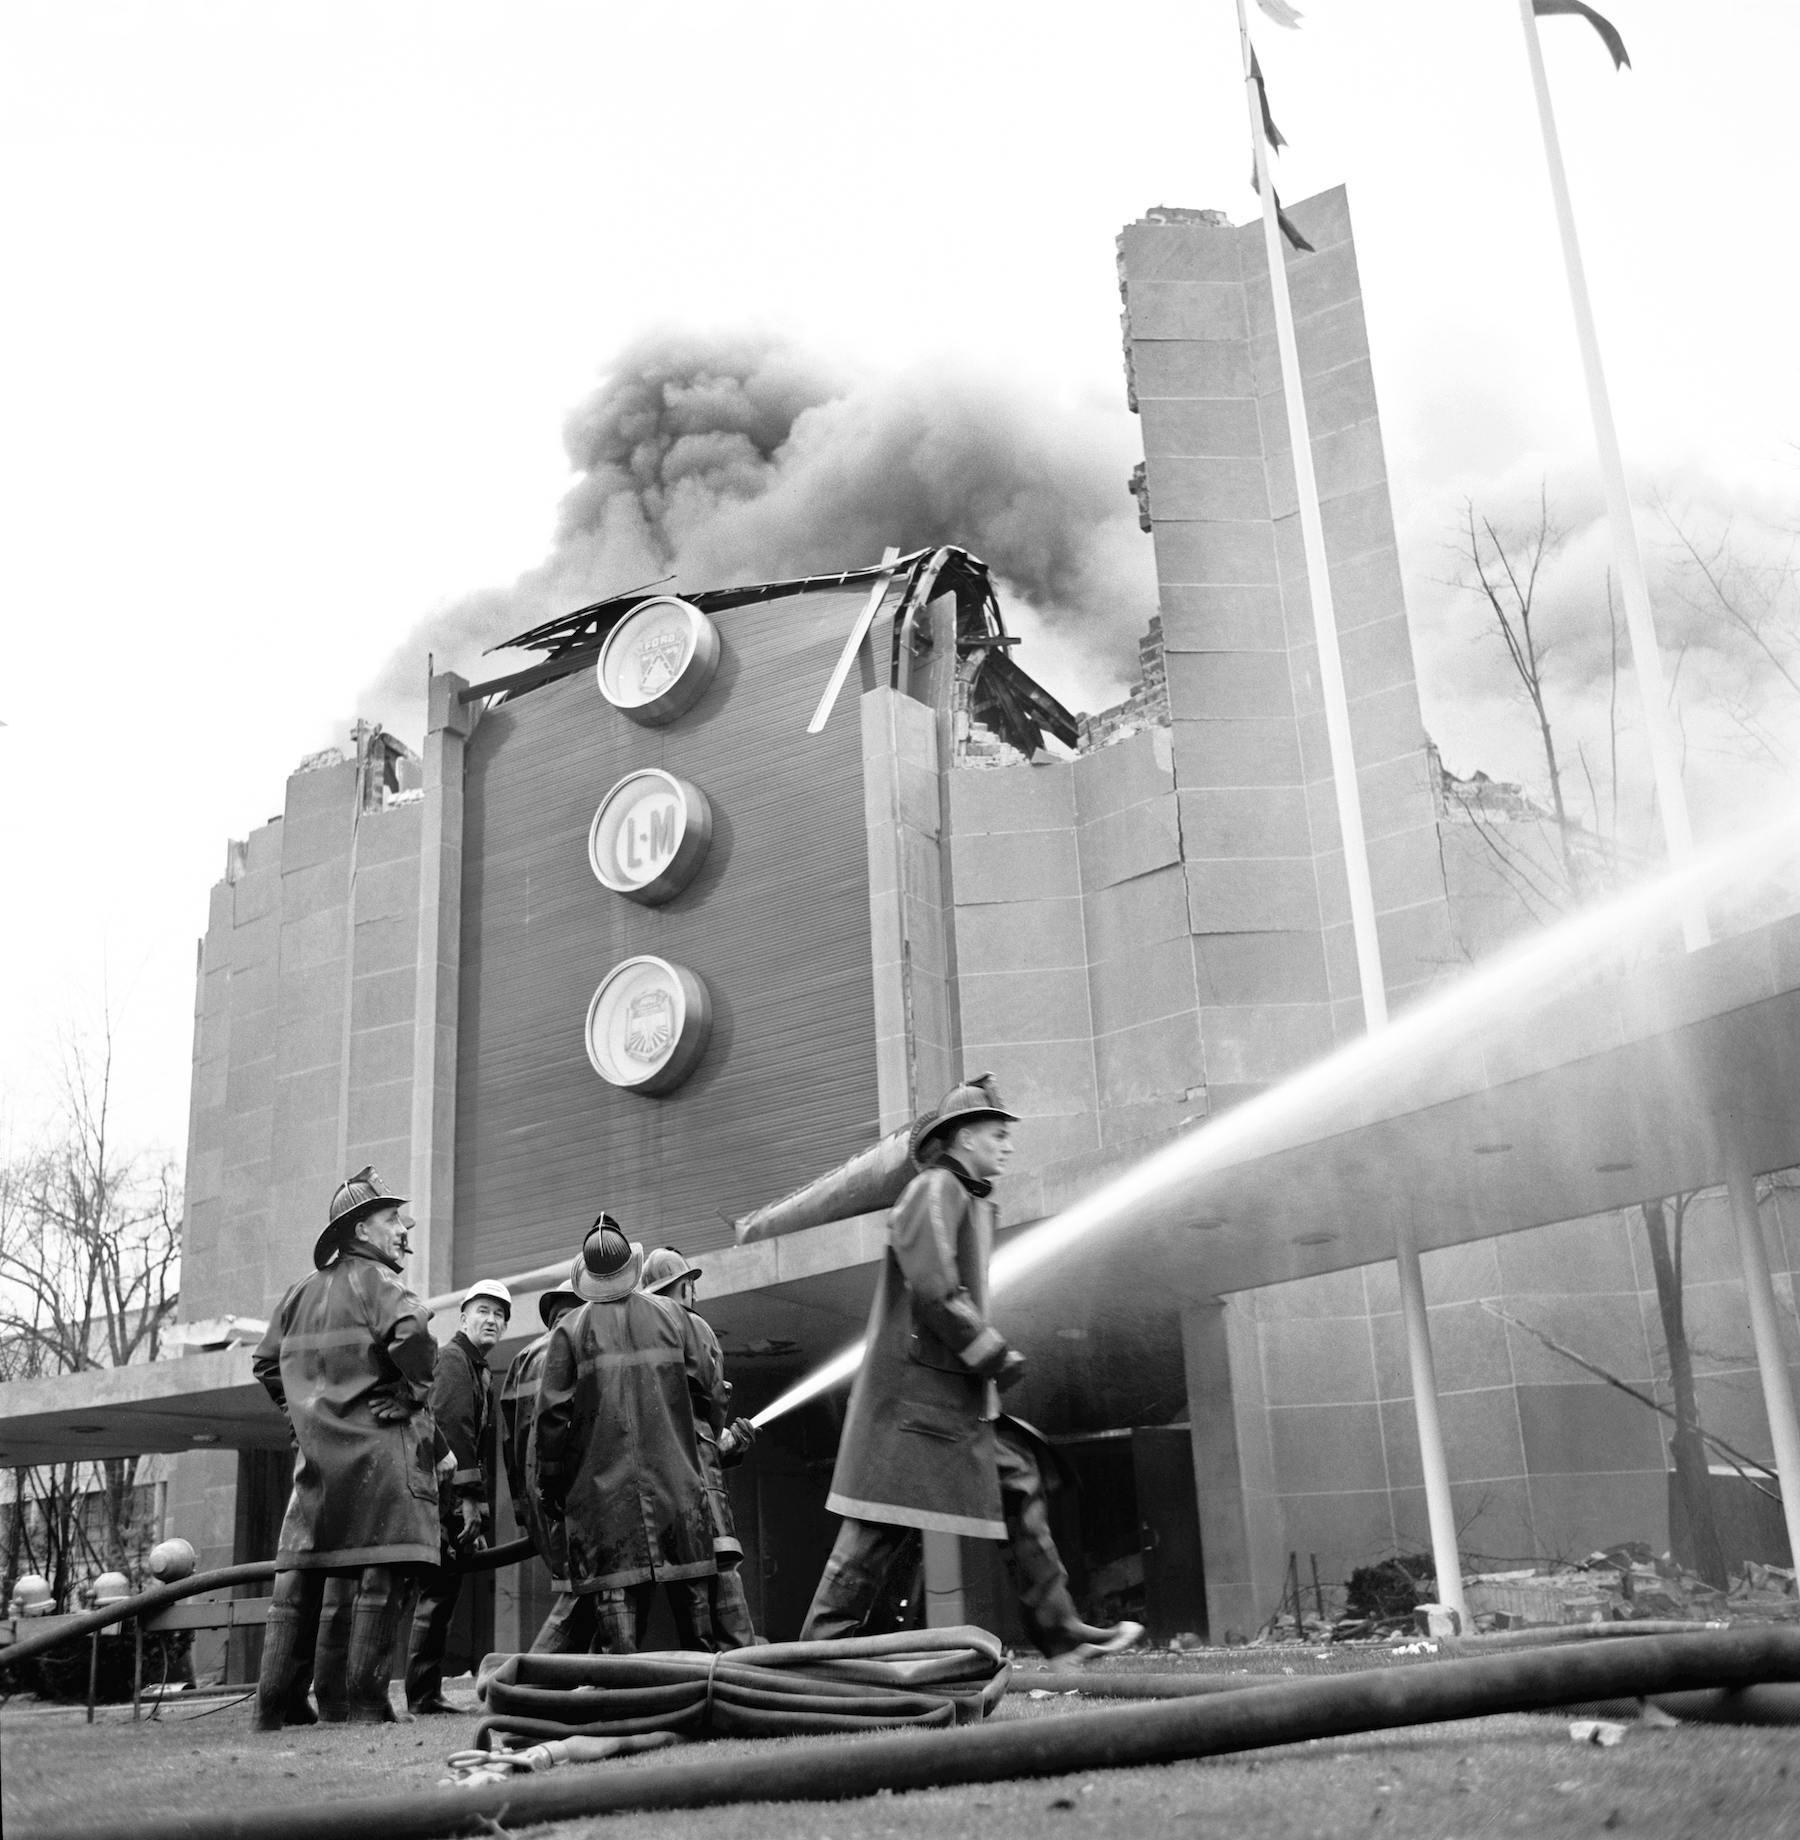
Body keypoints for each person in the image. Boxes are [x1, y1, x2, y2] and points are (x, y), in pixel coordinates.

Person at [800, 1075, 1143, 1666]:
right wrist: (990, 1352)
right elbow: (934, 1291)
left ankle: (1060, 1635)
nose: (1008, 1145)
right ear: (962, 1138)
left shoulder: (959, 1197)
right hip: (916, 1406)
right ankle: (815, 1658)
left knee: (1017, 1482)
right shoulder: (935, 1190)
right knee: (875, 1532)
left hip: (945, 1404)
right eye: (997, 1133)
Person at [251, 1167, 440, 1729]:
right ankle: (366, 1704)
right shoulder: (380, 1284)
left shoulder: (297, 1294)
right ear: (361, 1229)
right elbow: (414, 1333)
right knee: (379, 1573)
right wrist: (412, 1392)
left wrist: (301, 1416)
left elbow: (265, 1363)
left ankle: (273, 1706)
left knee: (300, 1581)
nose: (405, 1229)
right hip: (377, 1458)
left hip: (315, 1468)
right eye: (393, 1219)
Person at [532, 1217, 717, 1653]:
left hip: (601, 1504)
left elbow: (551, 1420)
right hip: (679, 1490)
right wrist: (700, 1444)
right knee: (697, 1626)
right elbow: (709, 1395)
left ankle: (622, 1709)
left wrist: (552, 1485)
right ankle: (709, 1708)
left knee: (618, 1638)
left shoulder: (569, 1330)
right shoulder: (677, 1318)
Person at [640, 1247, 761, 1648]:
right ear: (684, 1286)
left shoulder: (637, 1335)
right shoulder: (694, 1327)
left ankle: (701, 1679)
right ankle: (741, 1679)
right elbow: (710, 1406)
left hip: (654, 1487)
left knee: (684, 1582)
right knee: (722, 1574)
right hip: (700, 1482)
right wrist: (725, 1438)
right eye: (691, 1285)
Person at [404, 1277, 512, 1714]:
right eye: (483, 1311)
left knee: (440, 1593)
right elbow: (451, 1432)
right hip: (439, 1498)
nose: (492, 1320)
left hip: (448, 1498)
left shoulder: (474, 1367)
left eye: (500, 1314)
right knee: (438, 1592)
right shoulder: (453, 1360)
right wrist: (465, 1502)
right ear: (463, 1317)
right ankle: (423, 1695)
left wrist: (477, 1509)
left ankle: (424, 1693)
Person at [496, 1259, 594, 1654]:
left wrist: (525, 1509)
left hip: (542, 1505)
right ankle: (530, 1686)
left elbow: (510, 1445)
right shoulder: (577, 1348)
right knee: (592, 1593)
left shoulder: (521, 1361)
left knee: (586, 1594)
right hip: (579, 1499)